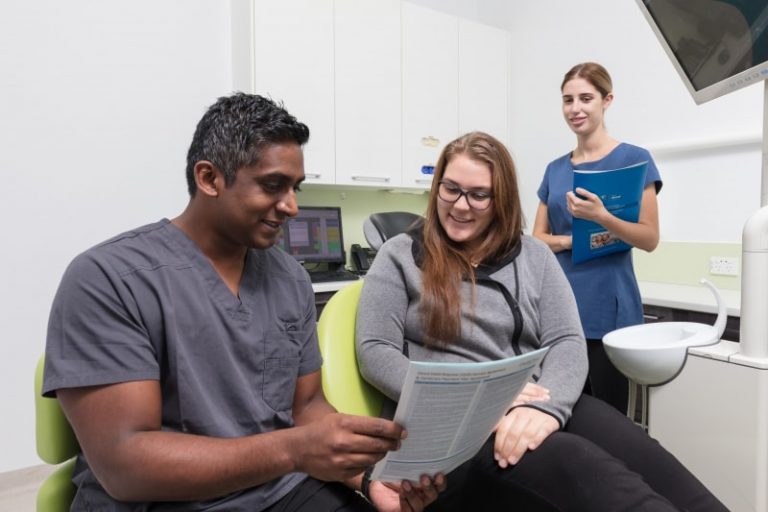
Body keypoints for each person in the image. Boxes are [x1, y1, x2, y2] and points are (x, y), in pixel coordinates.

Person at [43, 92, 444, 512]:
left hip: (278, 489)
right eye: (273, 185)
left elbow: (306, 406)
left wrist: (369, 476)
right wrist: (294, 450)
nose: (291, 206)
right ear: (209, 178)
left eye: (295, 188)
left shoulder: (289, 278)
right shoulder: (109, 279)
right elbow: (125, 466)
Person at [355, 131, 726, 511]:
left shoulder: (533, 255)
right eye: (450, 189)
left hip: (536, 398)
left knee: (645, 456)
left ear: (501, 200)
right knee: (580, 465)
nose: (461, 206)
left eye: (478, 194)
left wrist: (546, 409)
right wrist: (484, 400)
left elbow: (566, 340)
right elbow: (375, 351)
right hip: (453, 427)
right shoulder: (399, 254)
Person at [532, 62, 662, 414]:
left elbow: (649, 238)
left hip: (609, 306)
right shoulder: (555, 169)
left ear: (607, 100)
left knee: (608, 415)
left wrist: (601, 217)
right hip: (559, 305)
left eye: (585, 98)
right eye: (567, 100)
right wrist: (571, 241)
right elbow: (537, 240)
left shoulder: (635, 160)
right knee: (558, 413)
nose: (575, 108)